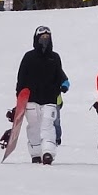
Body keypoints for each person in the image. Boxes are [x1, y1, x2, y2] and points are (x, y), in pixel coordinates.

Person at [13, 25, 68, 164]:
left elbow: (60, 74)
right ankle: (36, 153)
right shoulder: (29, 57)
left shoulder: (55, 58)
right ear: (36, 39)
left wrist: (64, 83)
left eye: (47, 37)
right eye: (42, 37)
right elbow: (21, 78)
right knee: (34, 126)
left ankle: (48, 152)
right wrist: (19, 97)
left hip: (50, 99)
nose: (45, 40)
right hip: (31, 100)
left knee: (48, 126)